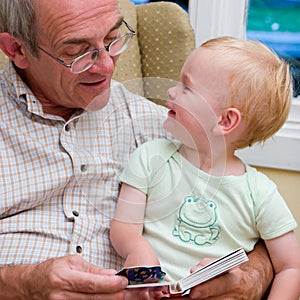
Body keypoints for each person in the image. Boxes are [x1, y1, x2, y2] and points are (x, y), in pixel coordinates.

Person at [0, 0, 273, 297]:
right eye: (76, 51)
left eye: (112, 39)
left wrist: (249, 278)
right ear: (17, 50)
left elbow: (257, 227)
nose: (106, 66)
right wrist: (22, 283)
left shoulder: (162, 127)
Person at [110, 37, 300, 299]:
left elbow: (291, 267)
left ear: (224, 121)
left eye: (186, 87)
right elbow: (124, 228)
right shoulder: (150, 158)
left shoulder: (260, 193)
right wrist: (139, 253)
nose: (171, 92)